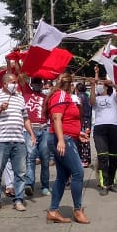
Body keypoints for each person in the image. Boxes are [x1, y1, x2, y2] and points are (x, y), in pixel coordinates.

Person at [0, 72, 33, 212]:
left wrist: (31, 133)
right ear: (5, 83)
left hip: (19, 140)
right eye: (13, 82)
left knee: (20, 173)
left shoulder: (19, 98)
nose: (15, 84)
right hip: (1, 141)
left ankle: (18, 199)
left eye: (16, 82)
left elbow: (25, 118)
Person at [46, 73, 88, 223]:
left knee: (62, 176)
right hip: (63, 139)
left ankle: (53, 210)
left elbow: (67, 119)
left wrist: (78, 133)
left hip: (68, 137)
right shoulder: (61, 95)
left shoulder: (63, 96)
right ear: (69, 84)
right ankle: (77, 210)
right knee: (78, 172)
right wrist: (62, 140)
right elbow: (57, 118)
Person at [90, 72, 117, 195]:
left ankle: (112, 182)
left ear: (106, 86)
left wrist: (113, 84)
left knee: (113, 157)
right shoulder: (96, 97)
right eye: (98, 84)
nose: (100, 86)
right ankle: (104, 184)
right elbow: (92, 101)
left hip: (114, 128)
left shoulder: (113, 96)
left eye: (101, 84)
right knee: (103, 156)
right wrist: (93, 85)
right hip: (100, 129)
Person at [22, 78, 52, 196]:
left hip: (44, 128)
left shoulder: (46, 98)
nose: (38, 85)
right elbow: (20, 77)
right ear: (31, 84)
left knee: (45, 159)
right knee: (30, 158)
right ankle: (29, 184)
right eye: (35, 83)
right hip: (30, 129)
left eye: (40, 83)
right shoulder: (27, 93)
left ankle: (45, 186)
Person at [75, 82, 93, 168]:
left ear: (77, 89)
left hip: (81, 119)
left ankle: (83, 159)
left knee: (81, 140)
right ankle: (87, 160)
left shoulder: (79, 98)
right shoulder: (87, 97)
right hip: (88, 120)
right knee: (86, 139)